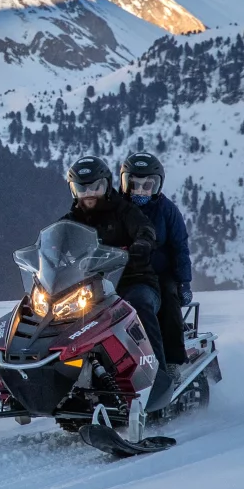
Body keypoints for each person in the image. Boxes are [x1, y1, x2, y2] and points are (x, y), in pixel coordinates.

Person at [60, 156, 166, 371]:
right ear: (73, 190)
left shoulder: (124, 211)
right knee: (59, 316)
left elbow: (144, 228)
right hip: (89, 288)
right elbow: (56, 240)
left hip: (134, 280)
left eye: (95, 187)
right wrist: (48, 255)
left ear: (107, 185)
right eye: (82, 188)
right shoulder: (72, 219)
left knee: (139, 305)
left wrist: (142, 243)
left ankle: (159, 373)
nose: (89, 193)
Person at [121, 151, 192, 367]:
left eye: (147, 185)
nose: (140, 190)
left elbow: (180, 247)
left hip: (160, 274)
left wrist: (184, 282)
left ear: (157, 186)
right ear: (125, 183)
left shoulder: (167, 210)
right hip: (121, 273)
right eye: (134, 184)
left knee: (169, 299)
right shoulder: (117, 208)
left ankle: (172, 362)